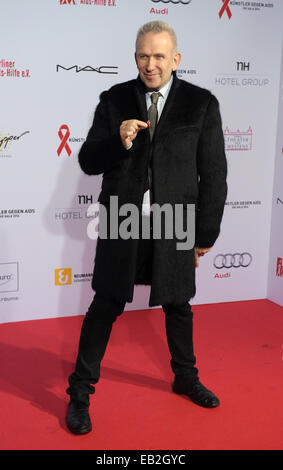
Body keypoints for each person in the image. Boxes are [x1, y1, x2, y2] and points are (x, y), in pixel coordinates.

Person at [66, 21, 227, 435]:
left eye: (158, 56)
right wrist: (117, 139)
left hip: (175, 222)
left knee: (178, 304)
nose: (150, 64)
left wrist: (205, 233)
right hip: (124, 218)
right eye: (142, 55)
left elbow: (213, 173)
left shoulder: (201, 104)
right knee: (106, 303)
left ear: (175, 60)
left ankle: (185, 377)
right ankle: (80, 394)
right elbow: (88, 161)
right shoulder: (115, 99)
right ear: (134, 56)